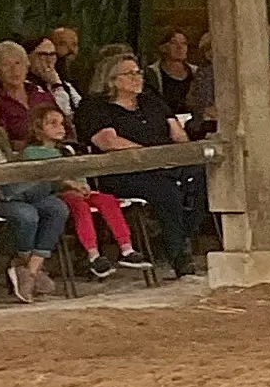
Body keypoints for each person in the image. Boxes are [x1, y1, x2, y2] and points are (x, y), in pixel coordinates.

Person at [76, 52, 202, 279]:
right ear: (111, 80)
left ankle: (178, 236)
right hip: (124, 172)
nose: (137, 78)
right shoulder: (95, 106)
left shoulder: (150, 101)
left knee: (202, 178)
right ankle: (179, 256)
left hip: (166, 164)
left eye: (138, 72)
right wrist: (150, 157)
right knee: (166, 191)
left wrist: (177, 155)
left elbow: (178, 134)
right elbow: (109, 142)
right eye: (129, 74)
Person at [20, 102, 148, 278]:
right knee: (80, 206)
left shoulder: (67, 150)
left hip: (79, 190)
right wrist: (69, 185)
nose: (60, 128)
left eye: (62, 123)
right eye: (53, 124)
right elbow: (41, 178)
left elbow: (78, 171)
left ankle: (126, 248)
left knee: (107, 200)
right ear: (38, 128)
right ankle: (93, 254)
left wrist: (83, 185)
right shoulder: (31, 152)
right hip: (57, 194)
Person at [0, 78, 71, 302]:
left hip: (8, 190)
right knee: (27, 213)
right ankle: (26, 268)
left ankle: (30, 270)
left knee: (57, 207)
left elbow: (11, 168)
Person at [0, 40, 53, 148]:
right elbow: (0, 139)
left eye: (18, 63)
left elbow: (65, 126)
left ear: (26, 66)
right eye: (6, 65)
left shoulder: (40, 94)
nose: (14, 70)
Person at [28, 35, 82, 122]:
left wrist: (57, 84)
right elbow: (61, 113)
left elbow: (81, 109)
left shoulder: (66, 85)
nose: (49, 61)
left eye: (52, 55)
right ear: (28, 58)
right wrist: (56, 86)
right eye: (43, 55)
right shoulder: (27, 87)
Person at [144, 28, 197, 115]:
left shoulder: (196, 72)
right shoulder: (152, 73)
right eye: (173, 43)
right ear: (163, 47)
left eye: (184, 43)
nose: (180, 47)